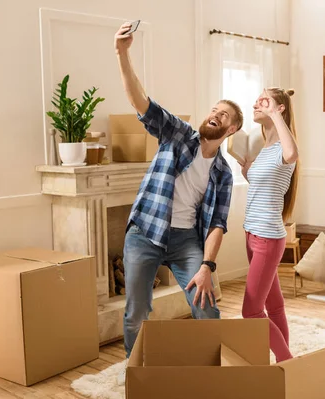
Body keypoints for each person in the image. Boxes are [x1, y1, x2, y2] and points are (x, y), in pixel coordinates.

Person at [114, 23, 243, 360]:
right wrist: (122, 53)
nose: (215, 115)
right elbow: (141, 102)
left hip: (186, 240)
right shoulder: (178, 134)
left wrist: (207, 267)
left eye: (223, 115)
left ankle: (212, 371)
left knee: (206, 307)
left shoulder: (223, 174)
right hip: (145, 233)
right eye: (214, 109)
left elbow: (217, 224)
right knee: (137, 313)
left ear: (231, 129)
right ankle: (135, 371)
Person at [238, 88, 299, 362]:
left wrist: (274, 112)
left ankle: (288, 364)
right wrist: (248, 173)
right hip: (252, 233)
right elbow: (267, 189)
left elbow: (292, 153)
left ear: (280, 109)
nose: (255, 104)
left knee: (250, 311)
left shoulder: (285, 145)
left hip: (267, 238)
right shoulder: (264, 148)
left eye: (263, 101)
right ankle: (284, 362)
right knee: (274, 307)